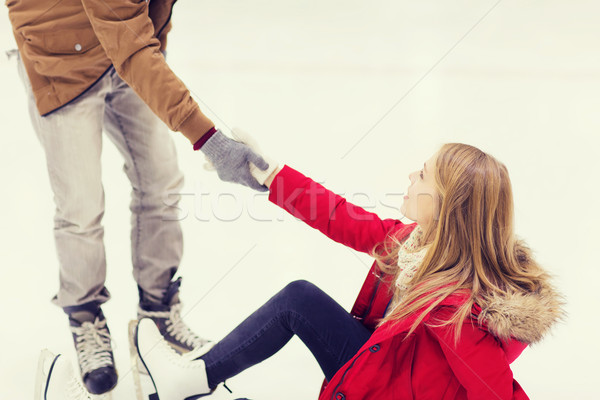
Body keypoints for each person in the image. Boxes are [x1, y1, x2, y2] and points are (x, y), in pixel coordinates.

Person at [36, 142, 564, 399]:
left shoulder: (456, 307)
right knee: (301, 299)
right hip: (380, 371)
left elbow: (496, 390)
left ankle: (186, 382)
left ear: (445, 203)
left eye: (421, 174)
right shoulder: (415, 245)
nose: (409, 174)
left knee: (299, 300)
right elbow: (341, 217)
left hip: (382, 391)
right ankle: (189, 380)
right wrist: (270, 176)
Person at [7, 0, 273, 395]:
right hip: (59, 57)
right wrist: (211, 141)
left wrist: (156, 47)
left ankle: (157, 314)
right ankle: (85, 318)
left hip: (123, 49)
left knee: (161, 180)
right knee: (80, 203)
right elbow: (131, 46)